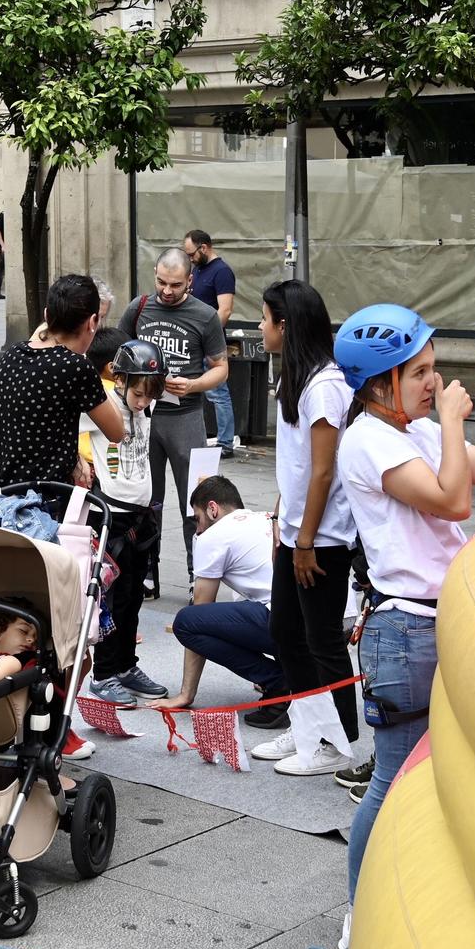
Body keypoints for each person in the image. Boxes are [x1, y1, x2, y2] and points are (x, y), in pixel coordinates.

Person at [336, 302, 475, 886]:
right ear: (379, 385)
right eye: (418, 373)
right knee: (393, 779)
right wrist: (456, 425)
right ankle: (359, 915)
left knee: (443, 771)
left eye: (432, 367)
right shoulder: (367, 441)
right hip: (406, 631)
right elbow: (453, 501)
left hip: (444, 621)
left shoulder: (420, 430)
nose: (433, 382)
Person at [263, 279, 361, 755]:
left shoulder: (325, 386)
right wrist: (284, 518)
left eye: (265, 318)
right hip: (295, 529)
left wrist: (304, 541)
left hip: (319, 538)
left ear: (286, 325)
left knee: (322, 638)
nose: (260, 327)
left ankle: (336, 739)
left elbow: (324, 470)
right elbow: (298, 464)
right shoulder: (295, 376)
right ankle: (307, 727)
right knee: (285, 630)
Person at [117, 249, 229, 594]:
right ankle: (147, 572)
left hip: (186, 415)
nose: (167, 291)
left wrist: (194, 384)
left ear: (190, 281)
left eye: (176, 285)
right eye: (162, 282)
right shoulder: (139, 307)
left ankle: (199, 574)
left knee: (192, 500)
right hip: (143, 416)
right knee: (146, 498)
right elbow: (118, 354)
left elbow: (222, 369)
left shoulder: (205, 315)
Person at [142, 475, 293, 731]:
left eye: (198, 518)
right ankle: (290, 672)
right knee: (239, 615)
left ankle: (277, 681)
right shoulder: (265, 517)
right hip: (324, 623)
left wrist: (185, 695)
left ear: (213, 509)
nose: (198, 529)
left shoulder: (214, 536)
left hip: (287, 622)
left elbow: (200, 611)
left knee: (187, 622)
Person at [0, 273, 124, 500]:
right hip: (37, 511)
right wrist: (90, 366)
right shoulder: (76, 368)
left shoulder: (11, 355)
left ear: (46, 315)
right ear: (93, 322)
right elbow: (117, 431)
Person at [85, 339, 172, 707]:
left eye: (149, 396)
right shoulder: (100, 405)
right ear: (118, 378)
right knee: (112, 601)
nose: (142, 402)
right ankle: (104, 674)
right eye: (137, 394)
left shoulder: (148, 406)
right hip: (110, 518)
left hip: (140, 517)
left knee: (134, 598)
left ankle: (126, 666)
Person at [183, 229, 240, 458]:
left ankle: (225, 442)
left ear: (204, 248)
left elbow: (224, 310)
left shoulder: (222, 271)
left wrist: (209, 341)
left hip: (208, 343)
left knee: (218, 394)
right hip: (195, 342)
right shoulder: (197, 270)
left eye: (191, 254)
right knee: (199, 392)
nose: (189, 259)